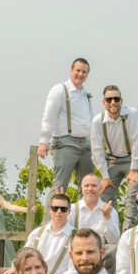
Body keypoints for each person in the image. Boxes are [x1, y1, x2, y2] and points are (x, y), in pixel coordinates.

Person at [38, 58, 94, 206]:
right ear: (71, 70)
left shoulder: (86, 95)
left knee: (88, 187)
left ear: (87, 74)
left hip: (85, 144)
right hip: (65, 142)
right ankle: (48, 227)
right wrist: (44, 141)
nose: (80, 74)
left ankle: (83, 227)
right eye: (78, 70)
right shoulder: (59, 90)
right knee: (60, 187)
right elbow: (49, 116)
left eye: (84, 71)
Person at [91, 86, 138, 230]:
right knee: (104, 195)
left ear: (122, 100)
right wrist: (104, 176)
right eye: (109, 99)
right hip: (113, 160)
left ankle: (128, 233)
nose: (113, 102)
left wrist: (134, 170)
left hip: (134, 159)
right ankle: (111, 230)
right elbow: (96, 150)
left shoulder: (132, 114)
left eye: (116, 99)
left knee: (132, 195)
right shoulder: (98, 121)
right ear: (104, 102)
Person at [69, 173, 120, 273]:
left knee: (114, 249)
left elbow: (114, 240)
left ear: (101, 189)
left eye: (94, 185)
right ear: (82, 189)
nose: (90, 189)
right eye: (87, 186)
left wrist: (107, 217)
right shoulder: (72, 209)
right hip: (78, 252)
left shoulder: (111, 211)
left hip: (100, 254)